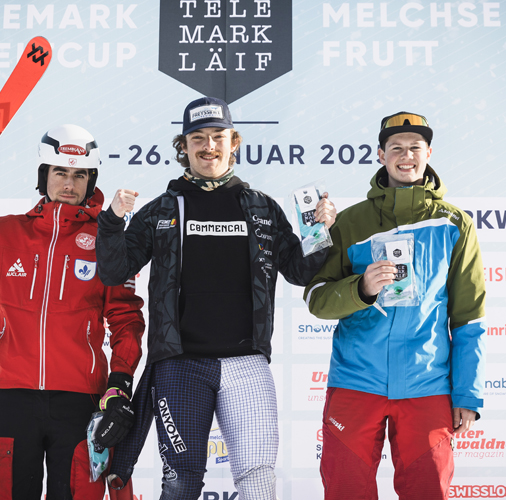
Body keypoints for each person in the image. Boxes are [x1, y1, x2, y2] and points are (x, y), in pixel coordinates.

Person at [95, 96, 336, 500]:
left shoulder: (262, 207)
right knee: (182, 481)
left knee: (258, 478)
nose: (209, 146)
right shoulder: (161, 209)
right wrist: (112, 221)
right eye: (198, 138)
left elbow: (299, 271)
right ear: (184, 146)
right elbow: (115, 271)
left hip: (247, 364)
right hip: (180, 366)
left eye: (218, 137)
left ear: (234, 142)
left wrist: (320, 233)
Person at [0, 124, 145, 500]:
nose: (69, 183)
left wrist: (119, 382)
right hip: (10, 397)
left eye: (79, 175)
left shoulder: (107, 242)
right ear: (44, 175)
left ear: (91, 180)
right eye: (60, 172)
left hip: (79, 401)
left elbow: (126, 320)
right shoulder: (6, 233)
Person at [303, 112, 486, 499]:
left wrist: (467, 394)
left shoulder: (455, 224)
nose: (406, 156)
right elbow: (317, 299)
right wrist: (361, 288)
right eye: (396, 148)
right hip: (356, 382)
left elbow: (468, 317)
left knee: (427, 491)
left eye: (415, 147)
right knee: (346, 491)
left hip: (427, 384)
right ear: (381, 155)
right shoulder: (350, 222)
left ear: (428, 153)